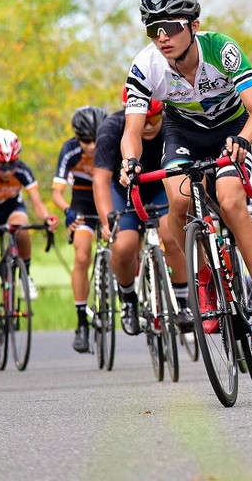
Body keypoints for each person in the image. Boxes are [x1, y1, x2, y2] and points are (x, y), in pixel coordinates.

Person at [119, 0, 252, 344]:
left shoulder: (222, 49)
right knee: (178, 202)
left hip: (231, 129)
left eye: (171, 27)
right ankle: (205, 275)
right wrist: (129, 161)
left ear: (194, 25)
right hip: (183, 132)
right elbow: (132, 130)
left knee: (230, 200)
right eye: (153, 29)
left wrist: (243, 141)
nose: (162, 37)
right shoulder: (145, 65)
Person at [92, 93, 190, 336]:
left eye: (154, 118)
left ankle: (182, 302)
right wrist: (106, 220)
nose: (148, 125)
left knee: (172, 236)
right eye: (142, 119)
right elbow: (101, 180)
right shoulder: (111, 129)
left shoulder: (173, 122)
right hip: (123, 191)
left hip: (159, 188)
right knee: (124, 245)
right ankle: (128, 299)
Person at [0, 128, 59, 357]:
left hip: (11, 211)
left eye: (12, 165)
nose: (8, 171)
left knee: (21, 226)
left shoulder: (24, 171)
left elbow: (37, 204)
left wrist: (47, 217)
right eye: (2, 166)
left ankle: (24, 275)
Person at [52, 106, 108, 353]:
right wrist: (67, 211)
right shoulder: (70, 150)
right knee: (82, 255)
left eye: (97, 139)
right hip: (82, 203)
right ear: (77, 137)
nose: (93, 146)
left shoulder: (111, 143)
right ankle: (82, 321)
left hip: (107, 198)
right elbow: (57, 192)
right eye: (86, 140)